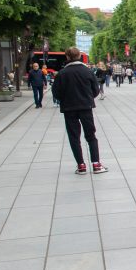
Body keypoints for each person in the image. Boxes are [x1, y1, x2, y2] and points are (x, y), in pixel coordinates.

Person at [51, 47, 108, 175]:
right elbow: (96, 90)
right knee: (91, 135)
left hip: (69, 108)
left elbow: (56, 92)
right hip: (85, 107)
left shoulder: (62, 73)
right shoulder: (87, 71)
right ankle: (96, 164)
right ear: (79, 56)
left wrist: (65, 100)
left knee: (74, 136)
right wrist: (88, 98)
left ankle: (81, 165)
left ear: (67, 57)